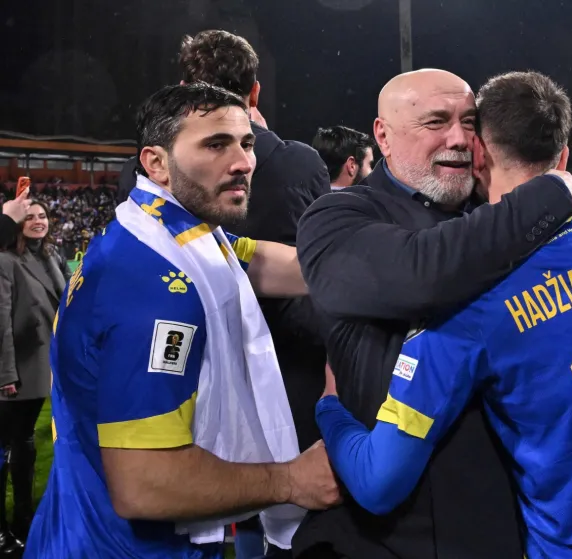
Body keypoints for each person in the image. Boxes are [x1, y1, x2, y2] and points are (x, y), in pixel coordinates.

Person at [315, 70, 572, 559]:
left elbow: (378, 483)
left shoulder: (467, 302)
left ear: (479, 154)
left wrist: (328, 408)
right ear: (562, 158)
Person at [24, 83, 341, 559]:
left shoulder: (169, 231)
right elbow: (144, 484)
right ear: (155, 164)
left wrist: (395, 270)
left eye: (246, 143)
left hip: (82, 527)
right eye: (216, 144)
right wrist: (292, 479)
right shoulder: (155, 286)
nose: (243, 163)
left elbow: (263, 263)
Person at [177, 30, 332, 557]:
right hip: (289, 352)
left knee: (219, 496)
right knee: (295, 499)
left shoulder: (158, 170)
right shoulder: (296, 161)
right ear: (256, 93)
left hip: (198, 354)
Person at [0, 200, 71, 554]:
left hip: (45, 367)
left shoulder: (52, 256)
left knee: (23, 443)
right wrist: (5, 373)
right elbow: (1, 323)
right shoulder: (5, 260)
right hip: (16, 371)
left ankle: (23, 519)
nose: (38, 221)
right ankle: (4, 529)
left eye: (42, 215)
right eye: (29, 217)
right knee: (9, 446)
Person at [311, 126, 377, 190]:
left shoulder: (306, 198)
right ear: (352, 166)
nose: (372, 172)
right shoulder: (366, 200)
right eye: (370, 165)